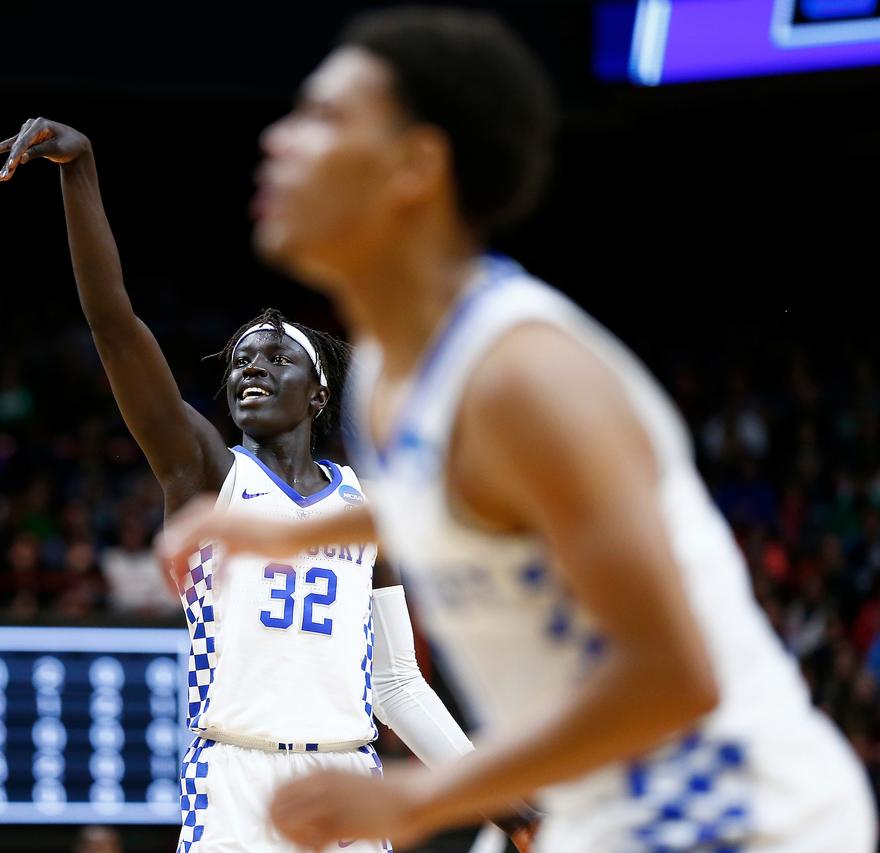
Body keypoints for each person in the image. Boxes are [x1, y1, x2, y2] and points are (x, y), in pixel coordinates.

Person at [159, 7, 877, 853]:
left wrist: (417, 798)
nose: (281, 138)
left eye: (326, 117)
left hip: (739, 811)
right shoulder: (394, 375)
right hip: (609, 802)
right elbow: (459, 495)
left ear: (417, 167)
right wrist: (296, 528)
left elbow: (678, 677)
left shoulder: (526, 377)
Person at [0, 119, 536, 853]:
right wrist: (79, 172)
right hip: (235, 775)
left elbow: (399, 684)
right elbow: (115, 325)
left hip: (346, 774)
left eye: (276, 359)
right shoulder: (208, 472)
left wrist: (512, 809)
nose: (250, 367)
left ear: (318, 395)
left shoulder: (364, 510)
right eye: (242, 359)